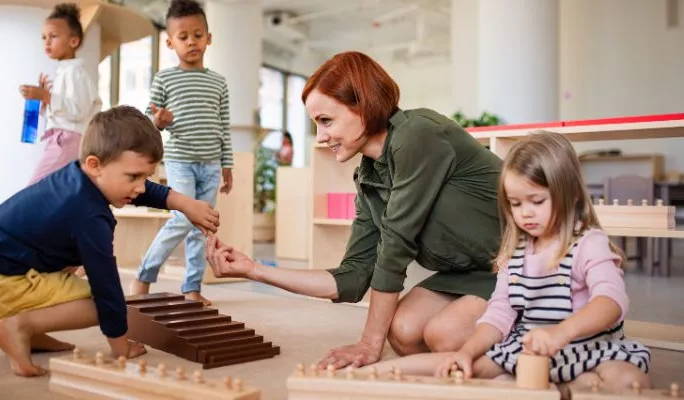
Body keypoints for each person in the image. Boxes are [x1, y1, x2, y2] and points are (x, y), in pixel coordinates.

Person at [206, 51, 503, 369]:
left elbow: (395, 249)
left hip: (522, 266)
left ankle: (550, 323)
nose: (320, 137)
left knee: (445, 335)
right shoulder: (369, 177)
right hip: (468, 274)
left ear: (363, 106)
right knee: (402, 332)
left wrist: (368, 344)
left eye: (326, 121)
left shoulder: (418, 135)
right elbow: (352, 277)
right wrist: (254, 270)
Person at [0, 106, 220, 377]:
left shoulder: (78, 176)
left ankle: (30, 333)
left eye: (146, 177)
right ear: (95, 164)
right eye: (133, 177)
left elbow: (139, 189)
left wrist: (185, 204)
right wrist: (121, 348)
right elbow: (107, 288)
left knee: (74, 264)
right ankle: (18, 326)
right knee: (101, 300)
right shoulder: (89, 216)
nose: (141, 187)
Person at [377, 131, 651, 392]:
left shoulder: (589, 244)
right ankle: (375, 375)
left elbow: (611, 303)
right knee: (464, 369)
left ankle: (565, 384)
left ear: (572, 195)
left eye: (537, 201)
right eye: (516, 204)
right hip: (529, 351)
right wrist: (467, 352)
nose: (525, 214)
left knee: (628, 380)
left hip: (591, 349)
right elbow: (499, 315)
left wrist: (561, 333)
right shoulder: (516, 252)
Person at [128, 0, 232, 306]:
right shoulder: (165, 79)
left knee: (203, 225)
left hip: (212, 163)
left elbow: (224, 126)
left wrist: (228, 165)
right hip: (180, 161)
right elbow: (148, 120)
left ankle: (192, 287)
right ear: (170, 41)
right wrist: (158, 121)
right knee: (183, 219)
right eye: (183, 37)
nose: (191, 42)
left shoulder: (218, 82)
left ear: (208, 38)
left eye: (198, 35)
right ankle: (144, 275)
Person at [20, 2, 102, 185]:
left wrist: (46, 96)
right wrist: (44, 103)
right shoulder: (64, 71)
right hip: (63, 137)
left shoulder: (75, 73)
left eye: (53, 36)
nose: (47, 41)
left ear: (74, 41)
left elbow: (78, 111)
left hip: (67, 139)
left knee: (35, 188)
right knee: (61, 190)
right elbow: (64, 111)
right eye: (44, 37)